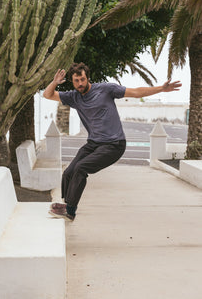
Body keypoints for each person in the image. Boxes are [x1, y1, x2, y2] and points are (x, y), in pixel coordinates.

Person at [43, 62, 182, 222]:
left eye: (82, 79)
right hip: (93, 144)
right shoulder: (73, 97)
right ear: (72, 82)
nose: (80, 84)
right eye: (76, 81)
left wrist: (161, 89)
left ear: (87, 77)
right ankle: (66, 204)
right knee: (68, 172)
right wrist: (55, 82)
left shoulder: (106, 89)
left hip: (114, 145)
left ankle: (71, 211)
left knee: (81, 168)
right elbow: (48, 95)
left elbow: (136, 93)